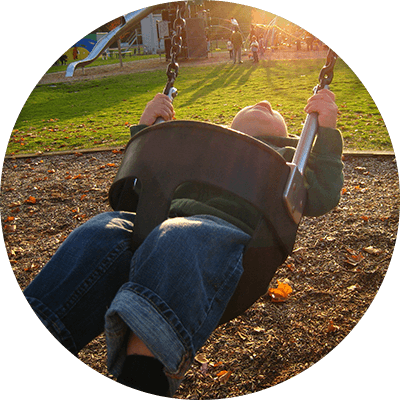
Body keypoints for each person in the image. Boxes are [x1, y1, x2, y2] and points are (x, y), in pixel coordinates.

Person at [24, 89, 343, 397]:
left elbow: (323, 194)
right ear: (228, 129)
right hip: (157, 227)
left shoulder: (288, 162)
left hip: (225, 242)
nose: (264, 101)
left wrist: (326, 130)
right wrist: (146, 128)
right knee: (100, 231)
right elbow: (135, 190)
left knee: (178, 238)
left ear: (286, 139)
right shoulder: (201, 150)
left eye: (275, 112)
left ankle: (142, 374)